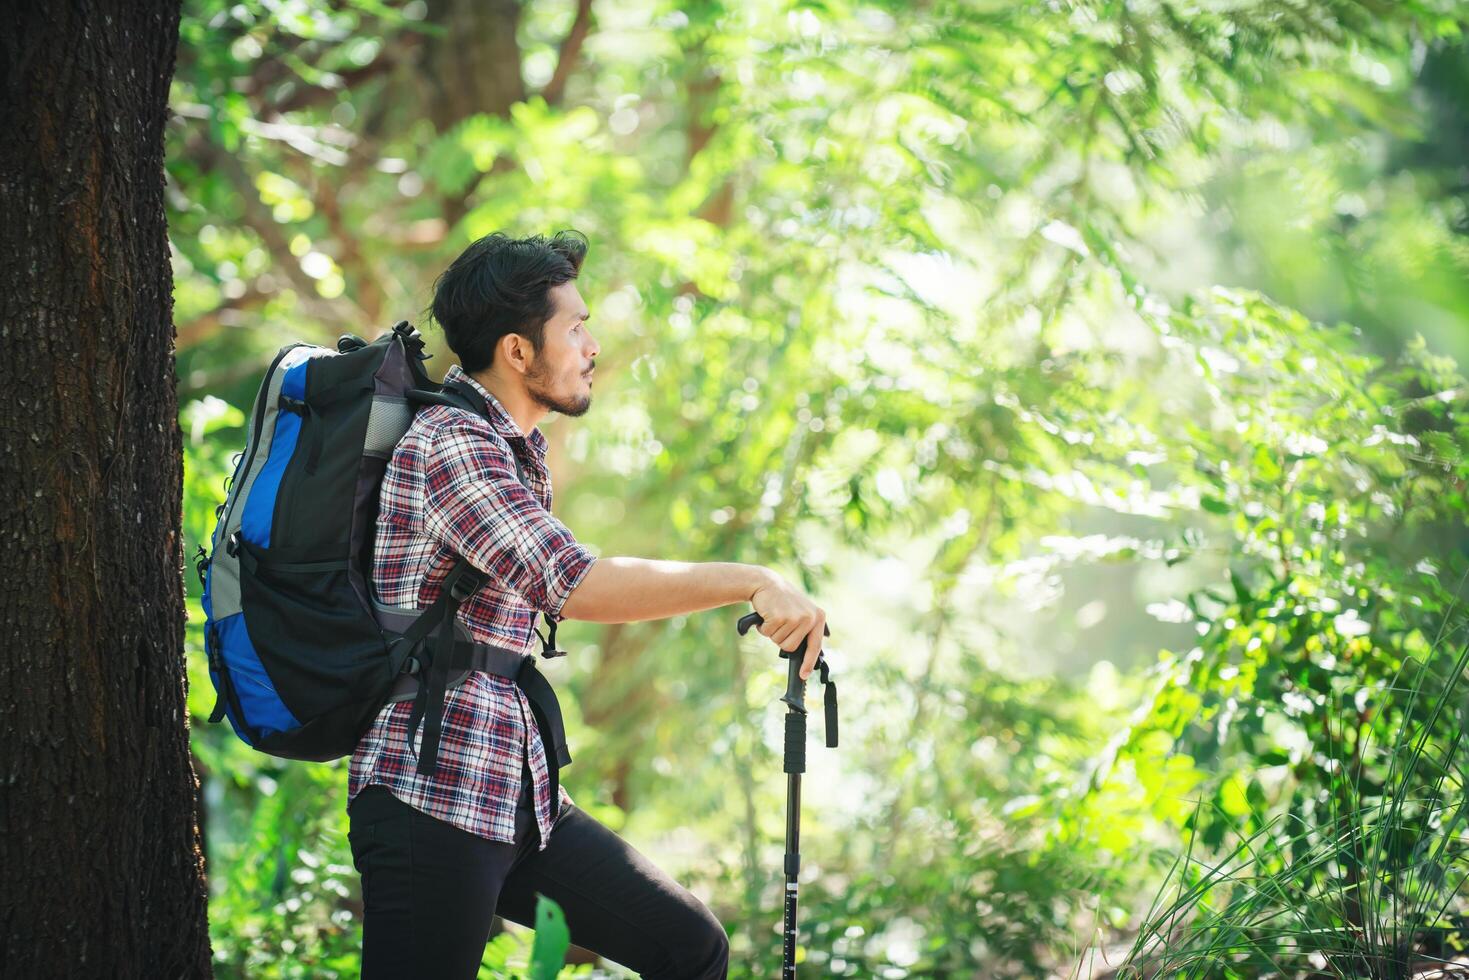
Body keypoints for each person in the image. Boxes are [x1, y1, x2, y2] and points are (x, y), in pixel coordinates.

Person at [346, 229, 829, 979]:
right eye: (575, 326)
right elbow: (573, 582)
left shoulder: (509, 450)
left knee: (687, 947)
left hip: (512, 794)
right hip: (430, 797)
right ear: (517, 351)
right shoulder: (452, 445)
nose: (591, 344)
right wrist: (749, 579)